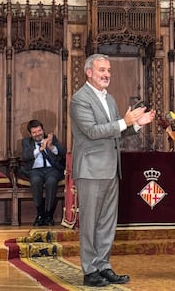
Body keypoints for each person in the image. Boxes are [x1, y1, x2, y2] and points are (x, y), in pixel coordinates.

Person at [69, 53, 155, 287]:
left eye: (108, 70)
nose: (107, 74)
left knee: (107, 221)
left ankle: (103, 266)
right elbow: (93, 131)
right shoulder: (80, 99)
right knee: (90, 223)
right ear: (89, 72)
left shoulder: (109, 99)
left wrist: (137, 124)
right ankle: (90, 271)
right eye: (102, 70)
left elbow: (117, 130)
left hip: (110, 168)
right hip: (90, 169)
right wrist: (125, 122)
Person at [19, 119, 66, 226]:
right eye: (34, 132)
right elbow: (26, 156)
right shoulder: (26, 142)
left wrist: (51, 147)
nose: (37, 134)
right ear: (30, 134)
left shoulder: (51, 139)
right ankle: (40, 214)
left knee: (51, 181)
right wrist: (40, 149)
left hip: (52, 169)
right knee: (35, 181)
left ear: (43, 130)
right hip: (35, 170)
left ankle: (49, 215)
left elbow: (63, 152)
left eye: (39, 131)